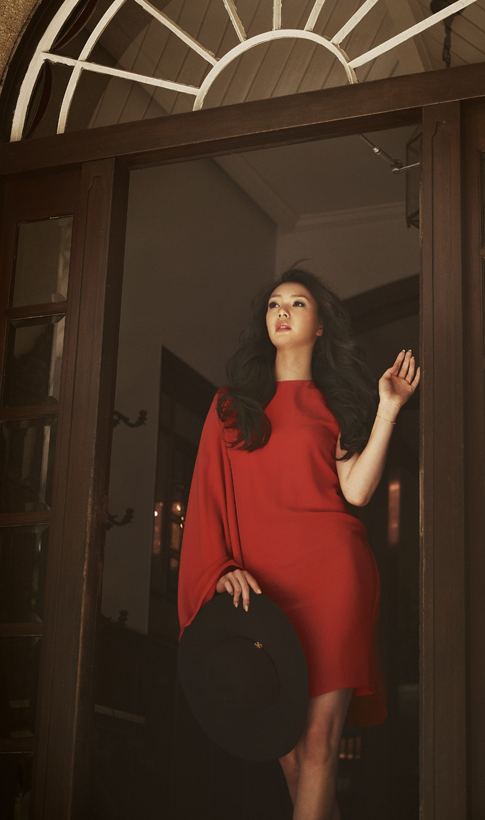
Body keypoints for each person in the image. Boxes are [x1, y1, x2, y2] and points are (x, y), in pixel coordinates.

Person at [178, 267, 419, 820]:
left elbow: (356, 491)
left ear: (320, 326)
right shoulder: (230, 407)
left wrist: (387, 409)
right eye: (274, 304)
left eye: (298, 303)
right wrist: (219, 569)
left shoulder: (336, 405)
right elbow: (207, 499)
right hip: (262, 588)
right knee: (287, 751)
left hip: (331, 578)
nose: (282, 311)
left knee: (317, 745)